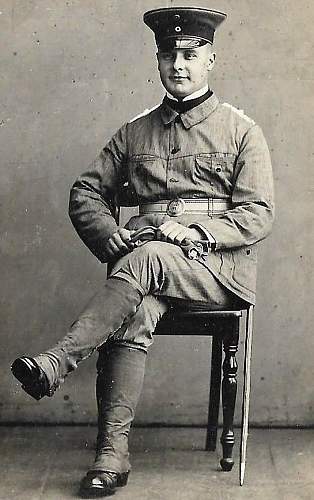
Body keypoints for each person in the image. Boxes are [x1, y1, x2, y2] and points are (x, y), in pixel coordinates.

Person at [11, 6, 274, 498]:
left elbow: (258, 214)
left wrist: (195, 233)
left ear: (210, 59)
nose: (179, 64)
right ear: (157, 61)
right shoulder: (134, 132)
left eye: (190, 54)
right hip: (148, 268)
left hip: (218, 269)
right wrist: (107, 232)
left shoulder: (242, 131)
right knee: (134, 308)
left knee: (146, 259)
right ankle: (111, 457)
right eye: (168, 54)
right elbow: (85, 192)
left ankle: (58, 361)